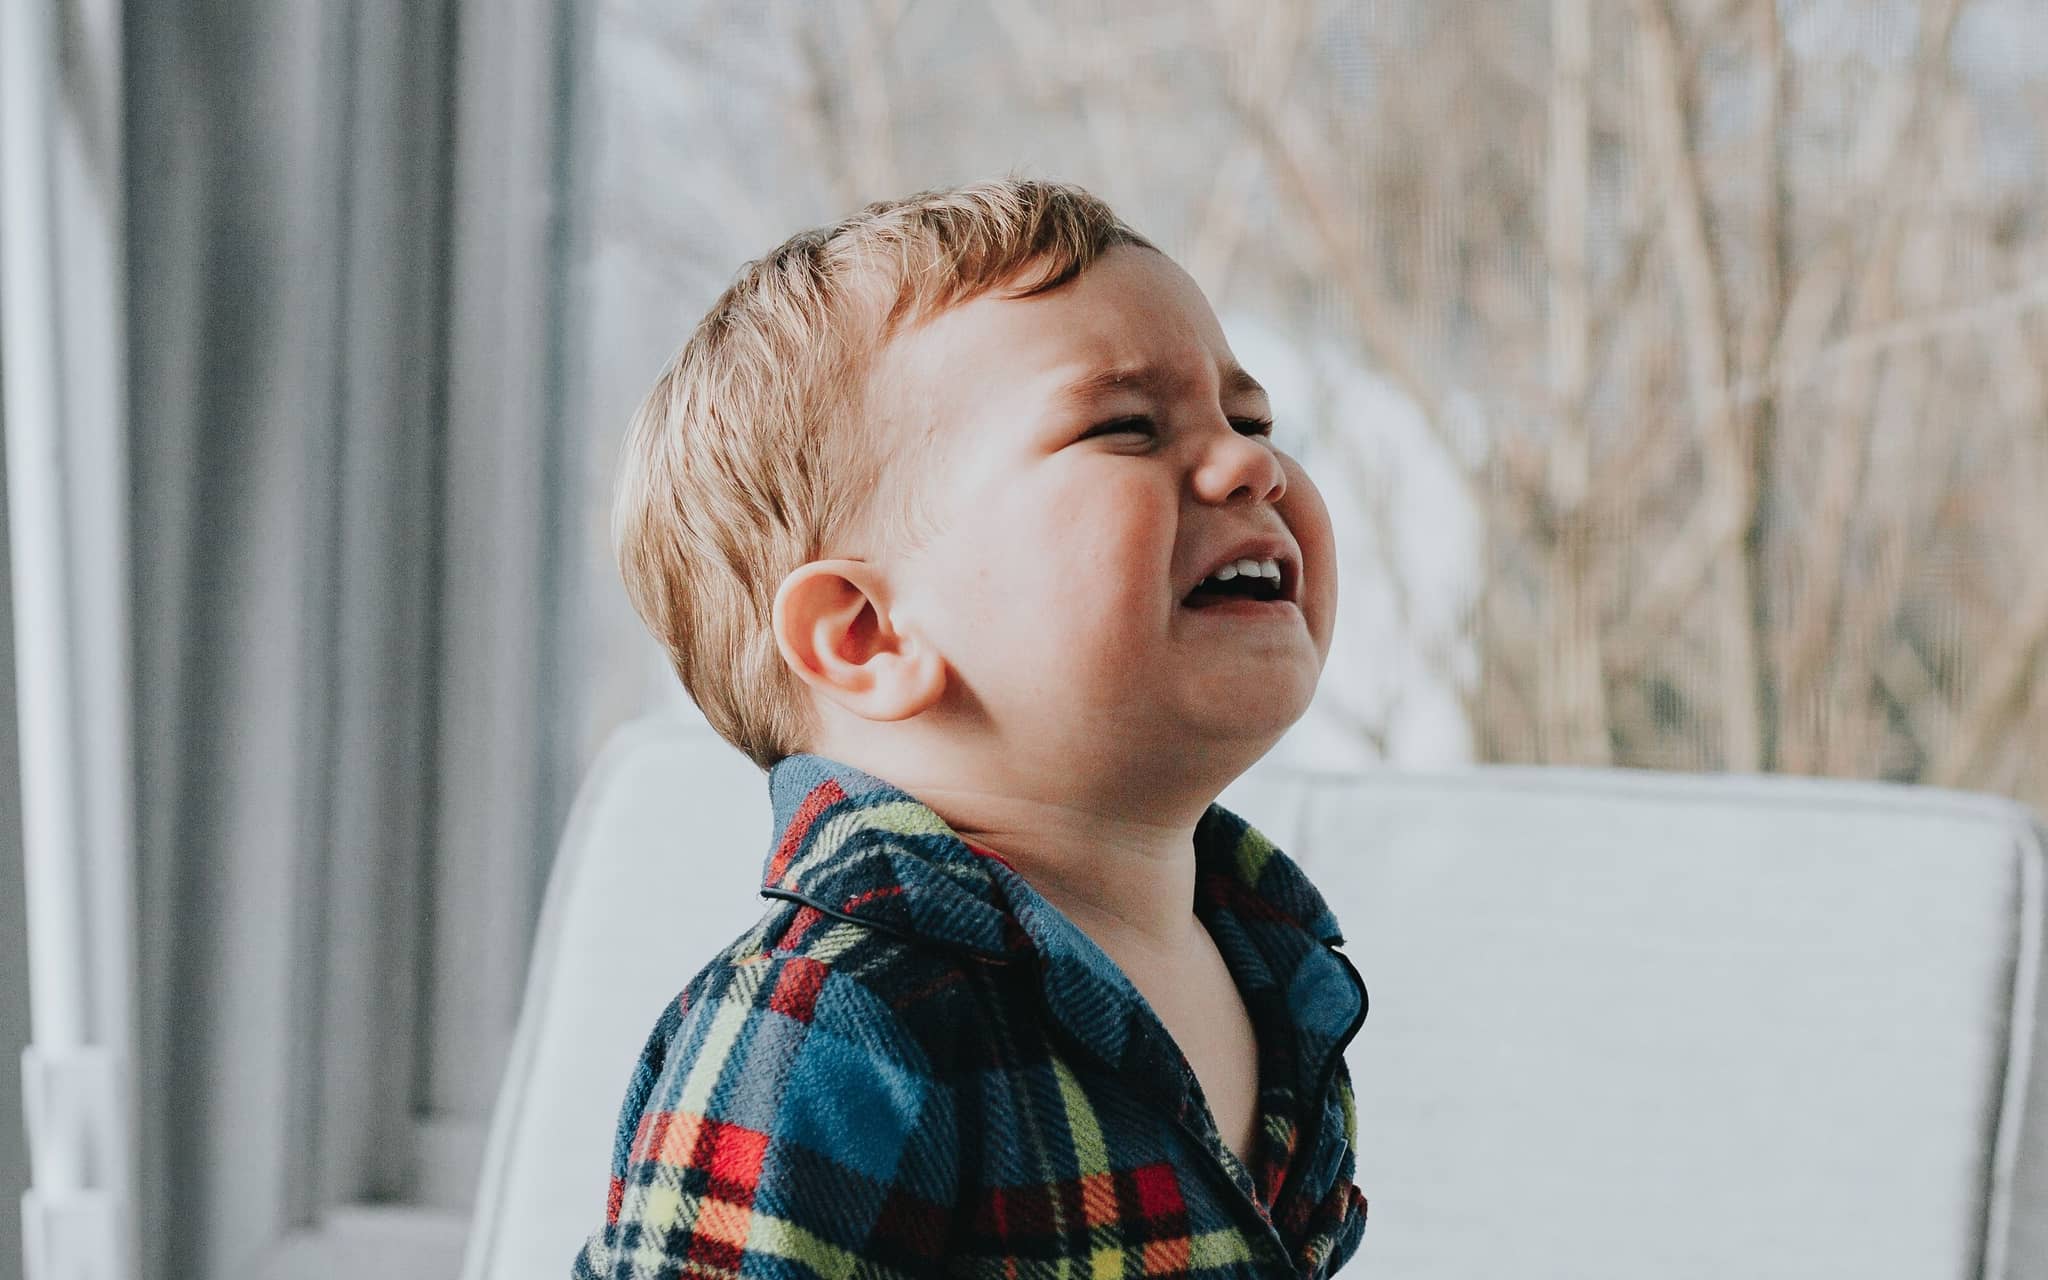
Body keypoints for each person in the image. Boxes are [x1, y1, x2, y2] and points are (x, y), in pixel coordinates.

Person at [573, 178, 1369, 1279]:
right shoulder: (828, 1019)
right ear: (864, 634)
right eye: (1125, 426)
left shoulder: (1276, 977)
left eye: (1250, 419)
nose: (1251, 464)